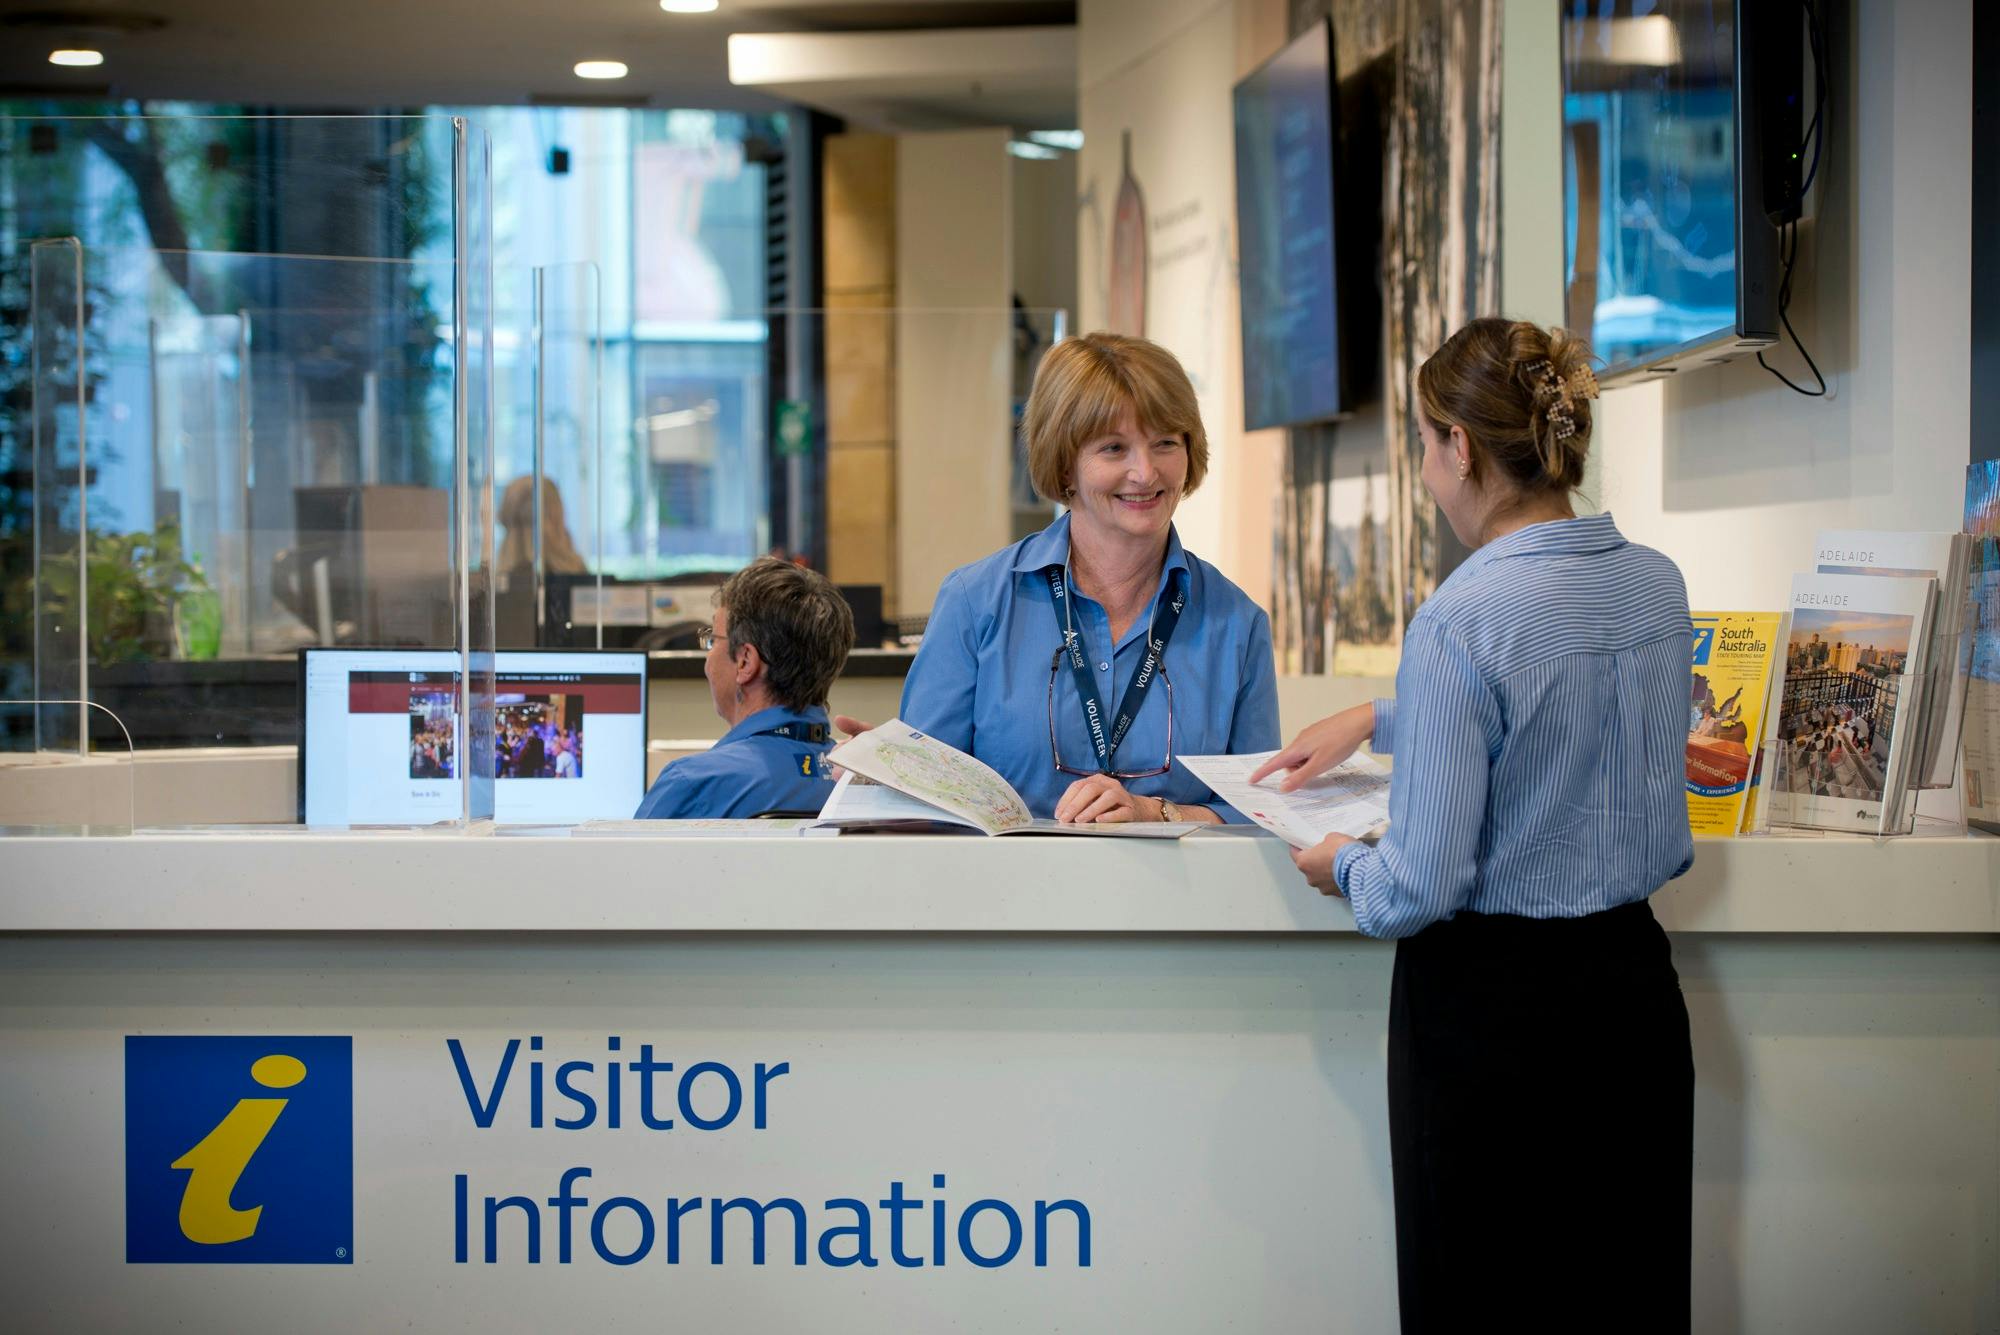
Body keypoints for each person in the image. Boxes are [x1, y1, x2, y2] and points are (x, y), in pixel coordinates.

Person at [1255, 318, 1695, 1333]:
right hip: (1631, 997)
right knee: (1625, 1295)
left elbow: (1416, 887)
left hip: (1491, 1022)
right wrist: (1380, 715)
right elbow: (1559, 703)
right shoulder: (1653, 583)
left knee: (1482, 1303)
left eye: (1419, 440)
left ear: (1457, 444)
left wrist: (1339, 866)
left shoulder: (1461, 618)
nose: (1421, 470)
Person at [872, 331, 1279, 822]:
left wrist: (1155, 812)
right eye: (1114, 449)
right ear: (1066, 464)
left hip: (1177, 898)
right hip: (1007, 895)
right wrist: (886, 779)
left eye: (1165, 443)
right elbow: (924, 806)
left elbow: (1261, 817)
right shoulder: (976, 602)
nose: (1145, 473)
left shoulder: (1237, 623)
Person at [634, 556, 855, 820]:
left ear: (745, 661)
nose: (708, 658)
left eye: (713, 640)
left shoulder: (692, 784)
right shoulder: (864, 784)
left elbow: (621, 862)